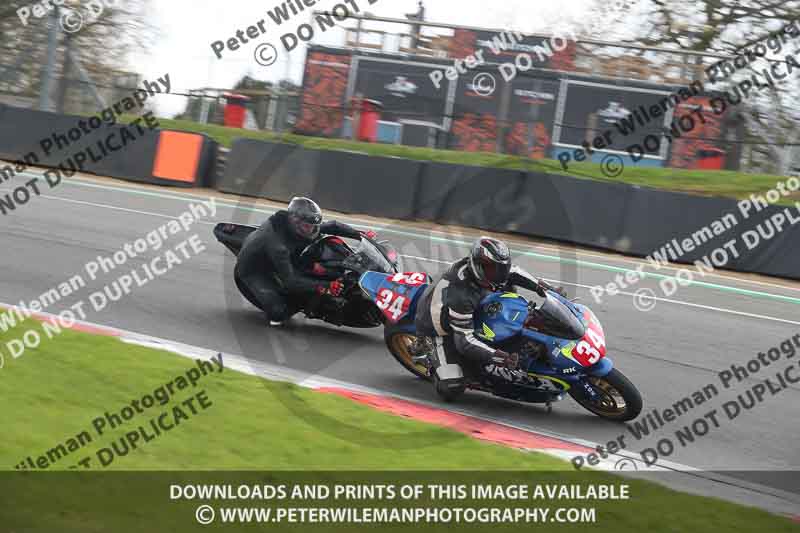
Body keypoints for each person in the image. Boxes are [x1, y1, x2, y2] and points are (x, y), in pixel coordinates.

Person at [414, 236, 566, 400]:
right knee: (451, 387)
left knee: (509, 289)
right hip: (441, 329)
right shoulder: (461, 295)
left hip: (472, 306)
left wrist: (547, 289)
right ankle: (426, 350)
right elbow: (464, 342)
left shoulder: (490, 272)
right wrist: (500, 357)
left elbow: (515, 273)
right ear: (477, 266)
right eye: (493, 270)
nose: (499, 274)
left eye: (502, 268)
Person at [234, 197, 375, 326]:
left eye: (314, 225)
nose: (312, 230)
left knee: (319, 264)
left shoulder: (302, 225)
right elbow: (291, 281)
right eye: (308, 226)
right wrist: (326, 286)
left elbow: (332, 225)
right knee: (279, 313)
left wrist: (360, 234)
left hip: (282, 255)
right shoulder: (279, 246)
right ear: (295, 221)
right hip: (254, 270)